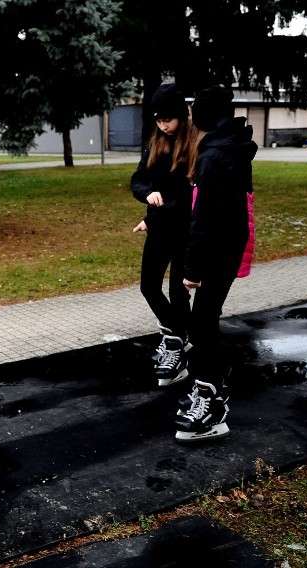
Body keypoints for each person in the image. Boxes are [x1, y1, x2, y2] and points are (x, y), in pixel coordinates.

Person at [174, 84, 257, 443]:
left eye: (193, 112)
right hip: (230, 244)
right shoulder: (234, 147)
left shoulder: (213, 155)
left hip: (216, 250)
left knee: (202, 324)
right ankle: (209, 386)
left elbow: (204, 218)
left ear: (205, 116)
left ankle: (212, 399)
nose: (189, 118)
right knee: (203, 322)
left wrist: (192, 269)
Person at [130, 83, 196, 387]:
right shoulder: (155, 142)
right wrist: (148, 195)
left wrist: (152, 216)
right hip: (159, 227)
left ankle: (175, 346)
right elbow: (138, 181)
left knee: (177, 292)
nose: (163, 125)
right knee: (148, 287)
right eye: (158, 120)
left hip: (184, 229)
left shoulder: (195, 143)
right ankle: (178, 338)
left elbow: (187, 197)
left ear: (182, 116)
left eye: (167, 120)